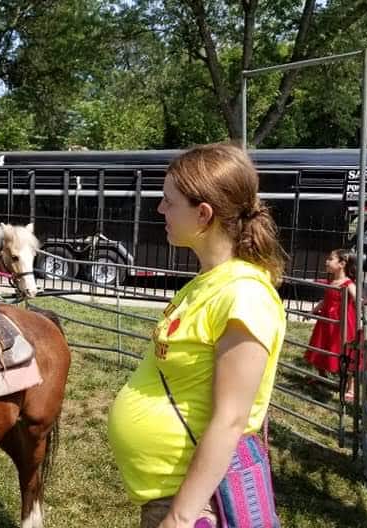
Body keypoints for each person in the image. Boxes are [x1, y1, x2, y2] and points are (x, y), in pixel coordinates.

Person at [107, 143, 288, 527]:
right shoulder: (205, 283)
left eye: (169, 202)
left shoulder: (244, 295)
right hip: (173, 495)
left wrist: (180, 515)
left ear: (203, 214)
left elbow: (232, 418)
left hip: (196, 502)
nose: (160, 210)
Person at [304, 249, 363, 399]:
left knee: (346, 353)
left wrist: (360, 310)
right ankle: (322, 375)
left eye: (331, 259)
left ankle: (351, 387)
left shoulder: (348, 284)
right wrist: (313, 311)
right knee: (322, 346)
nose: (327, 261)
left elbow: (358, 299)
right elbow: (326, 299)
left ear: (342, 264)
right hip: (327, 322)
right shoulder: (332, 281)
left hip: (342, 324)